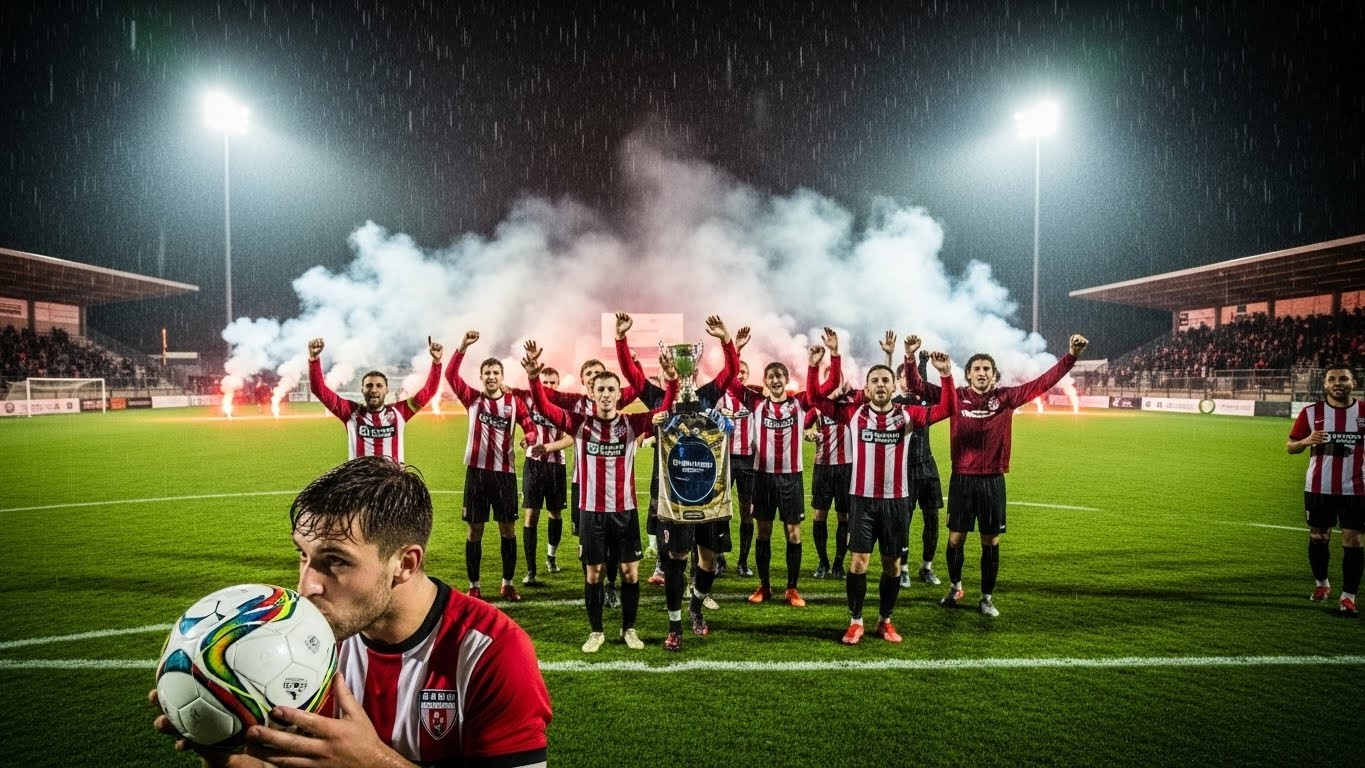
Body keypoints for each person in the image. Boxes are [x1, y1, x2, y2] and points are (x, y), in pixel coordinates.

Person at [151, 456, 552, 767]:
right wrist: (224, 756)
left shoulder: (492, 651)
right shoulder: (304, 643)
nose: (306, 586)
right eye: (303, 555)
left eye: (336, 561)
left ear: (405, 564)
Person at [904, 332, 1089, 617]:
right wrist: (910, 356)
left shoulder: (1006, 398)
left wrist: (1071, 357)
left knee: (990, 541)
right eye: (976, 369)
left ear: (994, 375)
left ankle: (987, 598)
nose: (981, 373)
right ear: (967, 374)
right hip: (962, 479)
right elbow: (917, 386)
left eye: (986, 369)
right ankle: (955, 587)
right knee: (955, 539)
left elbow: (1043, 383)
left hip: (992, 480)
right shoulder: (955, 396)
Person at [523, 347, 675, 652]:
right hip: (592, 512)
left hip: (625, 512)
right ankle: (596, 631)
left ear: (619, 394)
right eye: (600, 389)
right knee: (594, 573)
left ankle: (628, 629)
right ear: (592, 393)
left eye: (611, 389)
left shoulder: (632, 425)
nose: (606, 394)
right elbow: (543, 405)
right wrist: (533, 378)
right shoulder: (580, 424)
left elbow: (666, 409)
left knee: (630, 573)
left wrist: (671, 382)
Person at [818, 330, 956, 643]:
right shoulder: (854, 414)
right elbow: (815, 399)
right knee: (858, 562)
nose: (880, 384)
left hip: (896, 502)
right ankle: (855, 621)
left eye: (885, 380)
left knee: (893, 565)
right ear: (866, 389)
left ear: (894, 387)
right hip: (862, 502)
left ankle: (885, 620)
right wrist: (834, 353)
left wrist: (946, 375)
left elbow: (948, 408)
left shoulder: (909, 415)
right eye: (875, 381)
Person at [615, 313, 739, 651]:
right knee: (676, 557)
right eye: (675, 367)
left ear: (693, 369)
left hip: (709, 493)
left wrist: (726, 340)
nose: (682, 374)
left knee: (709, 559)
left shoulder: (708, 395)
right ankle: (675, 626)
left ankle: (696, 607)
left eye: (686, 368)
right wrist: (621, 339)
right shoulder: (657, 398)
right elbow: (630, 374)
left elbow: (730, 373)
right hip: (673, 493)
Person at [727, 330, 839, 607]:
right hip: (762, 477)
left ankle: (792, 588)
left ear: (786, 380)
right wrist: (736, 349)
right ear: (764, 382)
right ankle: (764, 586)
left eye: (780, 376)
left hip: (791, 478)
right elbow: (729, 385)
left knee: (793, 533)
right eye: (771, 376)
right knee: (763, 532)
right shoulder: (755, 404)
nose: (776, 380)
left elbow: (830, 384)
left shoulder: (799, 403)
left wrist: (820, 361)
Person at [445, 331, 532, 602]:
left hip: (505, 474)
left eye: (496, 372)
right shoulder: (472, 399)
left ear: (502, 377)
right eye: (487, 373)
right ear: (481, 377)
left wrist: (529, 437)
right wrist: (462, 347)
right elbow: (450, 376)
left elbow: (529, 424)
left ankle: (507, 583)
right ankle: (474, 585)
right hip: (477, 474)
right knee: (475, 529)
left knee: (508, 529)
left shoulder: (514, 403)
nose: (492, 376)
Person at [1287, 364, 1363, 618]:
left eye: (1343, 378)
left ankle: (1349, 598)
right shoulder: (1311, 413)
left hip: (1357, 489)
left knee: (1353, 541)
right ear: (1325, 384)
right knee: (1319, 538)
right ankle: (1322, 585)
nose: (1337, 383)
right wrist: (1308, 441)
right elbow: (1291, 447)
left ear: (1353, 382)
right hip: (1319, 487)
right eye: (1332, 379)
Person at [307, 336, 443, 464]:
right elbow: (319, 390)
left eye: (379, 386)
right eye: (369, 386)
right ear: (362, 390)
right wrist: (314, 359)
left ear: (386, 390)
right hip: (360, 484)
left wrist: (436, 362)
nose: (374, 390)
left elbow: (428, 391)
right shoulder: (350, 412)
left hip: (392, 483)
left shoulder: (400, 412)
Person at [519, 365, 571, 586]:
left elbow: (570, 437)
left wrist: (548, 447)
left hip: (556, 466)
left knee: (555, 513)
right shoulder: (530, 401)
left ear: (558, 385)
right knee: (531, 516)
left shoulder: (565, 406)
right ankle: (531, 570)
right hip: (533, 465)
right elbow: (524, 425)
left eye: (552, 382)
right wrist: (526, 439)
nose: (548, 386)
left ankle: (551, 556)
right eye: (545, 382)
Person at [899, 349, 945, 588]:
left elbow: (923, 384)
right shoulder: (896, 405)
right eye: (904, 378)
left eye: (911, 378)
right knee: (903, 521)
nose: (909, 383)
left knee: (932, 520)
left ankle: (926, 567)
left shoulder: (924, 402)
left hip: (928, 466)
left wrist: (923, 361)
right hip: (905, 470)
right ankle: (903, 568)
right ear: (898, 382)